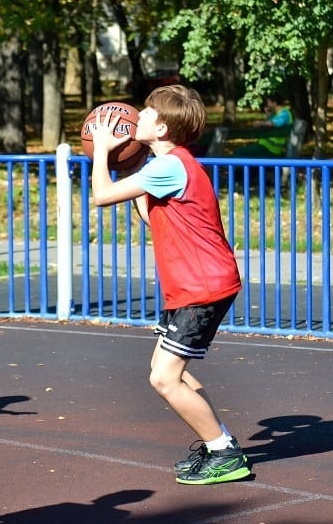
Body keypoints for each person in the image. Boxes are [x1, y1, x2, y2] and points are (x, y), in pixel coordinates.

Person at [89, 84, 250, 485]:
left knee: (163, 377)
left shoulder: (170, 166)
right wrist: (131, 169)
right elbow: (149, 215)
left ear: (161, 128)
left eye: (145, 113)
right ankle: (219, 444)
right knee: (170, 373)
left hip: (204, 286)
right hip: (192, 285)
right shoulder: (168, 165)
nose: (137, 116)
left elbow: (101, 196)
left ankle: (224, 452)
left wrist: (103, 152)